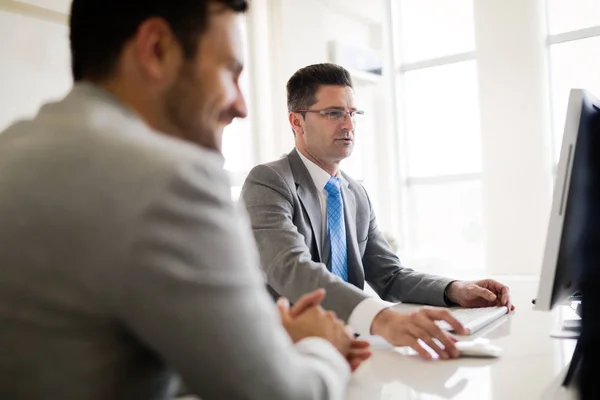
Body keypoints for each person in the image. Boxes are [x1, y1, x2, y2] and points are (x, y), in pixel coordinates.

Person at [0, 3, 370, 400]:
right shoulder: (171, 179)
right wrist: (323, 344)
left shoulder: (14, 150)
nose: (240, 106)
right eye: (231, 71)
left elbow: (96, 352)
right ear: (156, 50)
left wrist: (250, 337)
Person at [241, 63, 515, 360]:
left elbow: (389, 276)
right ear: (297, 122)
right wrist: (382, 318)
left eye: (352, 113)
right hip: (284, 353)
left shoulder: (356, 194)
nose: (348, 125)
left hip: (351, 347)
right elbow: (291, 268)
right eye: (333, 113)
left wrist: (455, 289)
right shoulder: (268, 181)